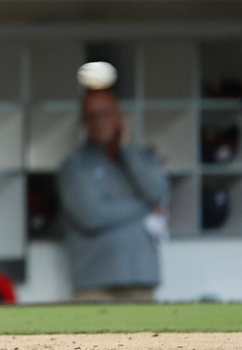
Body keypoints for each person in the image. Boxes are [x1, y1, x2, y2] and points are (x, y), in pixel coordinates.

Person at [57, 87, 169, 302]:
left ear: (119, 116)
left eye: (106, 113)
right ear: (84, 122)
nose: (99, 121)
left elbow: (159, 192)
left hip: (142, 280)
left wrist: (126, 149)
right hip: (94, 285)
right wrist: (145, 205)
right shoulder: (74, 165)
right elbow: (91, 216)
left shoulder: (142, 157)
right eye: (91, 116)